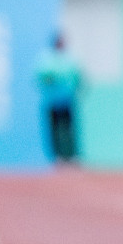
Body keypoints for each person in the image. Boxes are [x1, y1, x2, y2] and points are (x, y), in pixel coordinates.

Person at [36, 34, 82, 162]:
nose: (62, 44)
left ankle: (72, 155)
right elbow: (42, 77)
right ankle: (57, 157)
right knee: (54, 130)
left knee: (69, 129)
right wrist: (52, 79)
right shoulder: (46, 59)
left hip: (67, 100)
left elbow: (78, 77)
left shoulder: (70, 59)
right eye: (60, 42)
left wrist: (78, 86)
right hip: (52, 101)